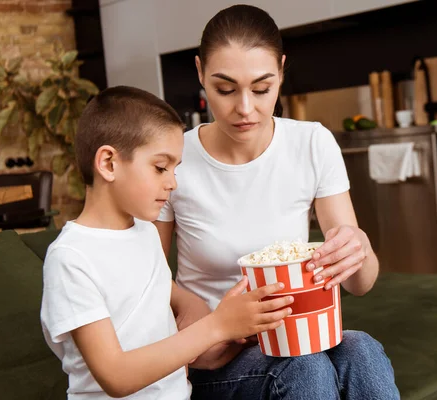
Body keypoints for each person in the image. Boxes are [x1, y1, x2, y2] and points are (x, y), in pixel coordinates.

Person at [154, 4, 400, 400]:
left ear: (282, 72)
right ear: (200, 72)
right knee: (303, 366)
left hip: (296, 335)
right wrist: (200, 316)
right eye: (225, 88)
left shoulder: (311, 142)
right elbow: (144, 273)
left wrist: (359, 249)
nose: (245, 108)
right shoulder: (173, 158)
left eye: (262, 88)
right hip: (218, 355)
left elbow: (360, 282)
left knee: (363, 350)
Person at [40, 86, 294, 399]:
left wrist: (228, 333)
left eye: (175, 169)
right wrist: (217, 326)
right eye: (161, 167)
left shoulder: (145, 233)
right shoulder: (72, 257)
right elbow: (116, 376)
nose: (172, 182)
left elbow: (159, 313)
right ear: (108, 163)